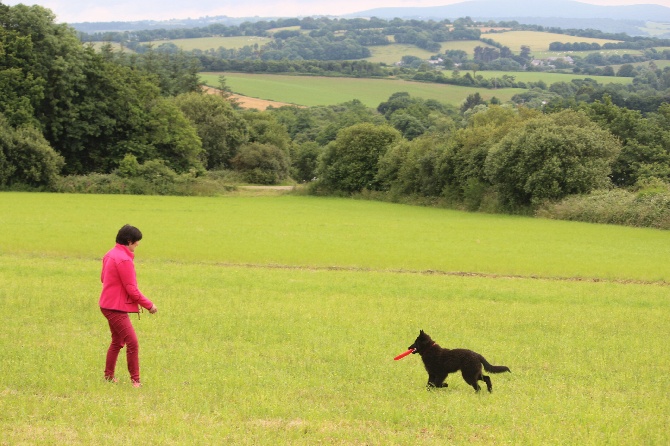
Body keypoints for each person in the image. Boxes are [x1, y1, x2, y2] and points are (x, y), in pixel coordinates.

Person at [99, 224, 157, 387]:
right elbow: (131, 289)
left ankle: (109, 376)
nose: (138, 245)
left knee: (117, 341)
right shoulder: (124, 259)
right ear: (129, 241)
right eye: (136, 242)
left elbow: (103, 278)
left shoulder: (109, 254)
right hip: (115, 308)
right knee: (133, 342)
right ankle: (135, 381)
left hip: (106, 304)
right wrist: (149, 305)